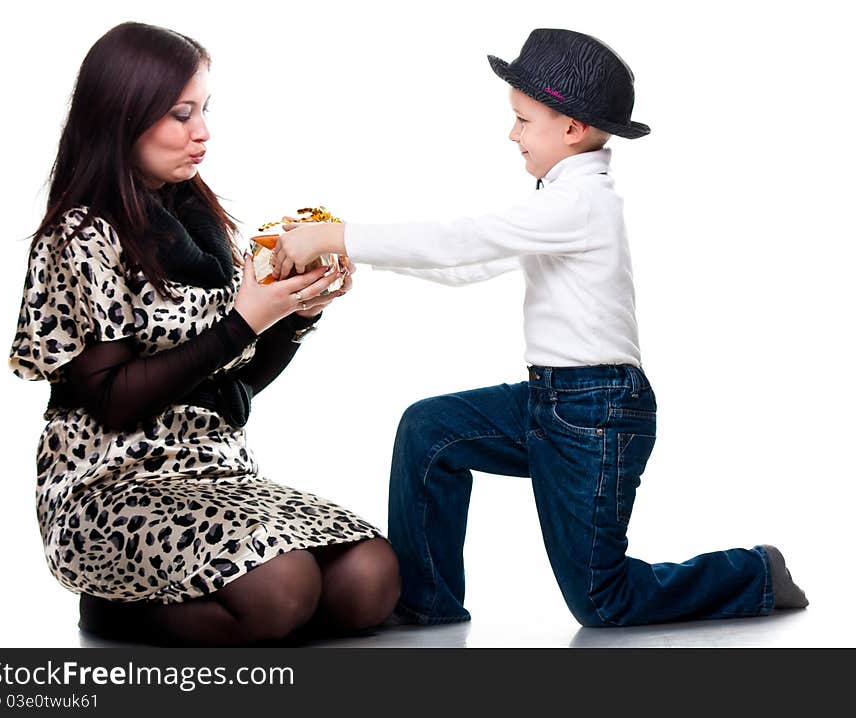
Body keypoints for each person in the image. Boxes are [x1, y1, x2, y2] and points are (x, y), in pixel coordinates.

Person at [271, 28, 808, 627]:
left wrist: (339, 234)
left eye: (524, 120)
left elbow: (459, 239)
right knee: (430, 429)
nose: (512, 134)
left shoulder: (579, 205)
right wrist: (356, 260)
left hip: (595, 412)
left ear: (572, 129)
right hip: (550, 401)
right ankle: (426, 603)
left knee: (602, 602)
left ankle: (756, 572)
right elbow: (469, 263)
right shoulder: (555, 202)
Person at [8, 21, 399, 646]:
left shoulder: (197, 219)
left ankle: (237, 611)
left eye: (204, 109)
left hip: (216, 475)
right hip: (109, 486)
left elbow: (234, 384)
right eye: (180, 113)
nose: (203, 131)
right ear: (121, 116)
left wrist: (297, 313)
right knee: (284, 588)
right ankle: (110, 610)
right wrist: (245, 319)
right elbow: (112, 402)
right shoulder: (80, 234)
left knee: (370, 578)